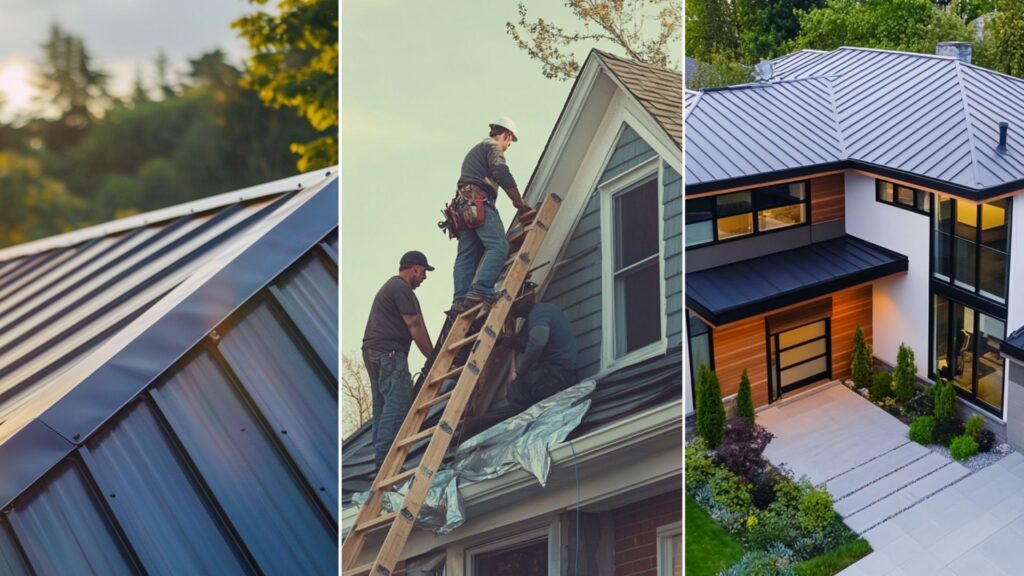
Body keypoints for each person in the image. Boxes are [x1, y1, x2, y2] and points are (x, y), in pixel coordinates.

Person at [362, 251, 435, 470]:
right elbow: (415, 325)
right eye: (423, 272)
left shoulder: (391, 287)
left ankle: (379, 464)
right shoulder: (401, 289)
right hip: (390, 355)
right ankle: (387, 464)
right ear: (414, 268)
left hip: (374, 353)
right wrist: (433, 357)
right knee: (397, 406)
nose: (424, 278)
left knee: (382, 409)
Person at [450, 117, 529, 314]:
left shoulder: (475, 151)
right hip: (477, 202)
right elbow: (501, 172)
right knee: (499, 246)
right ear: (507, 135)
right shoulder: (492, 147)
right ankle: (481, 290)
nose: (508, 146)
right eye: (509, 142)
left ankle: (460, 299)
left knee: (466, 255)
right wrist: (519, 202)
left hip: (463, 207)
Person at [499, 285, 578, 412]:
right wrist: (514, 343)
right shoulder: (535, 316)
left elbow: (538, 343)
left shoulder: (540, 311)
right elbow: (535, 346)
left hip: (557, 373)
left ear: (526, 299)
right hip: (557, 373)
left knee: (517, 388)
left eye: (514, 304)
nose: (511, 309)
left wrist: (519, 372)